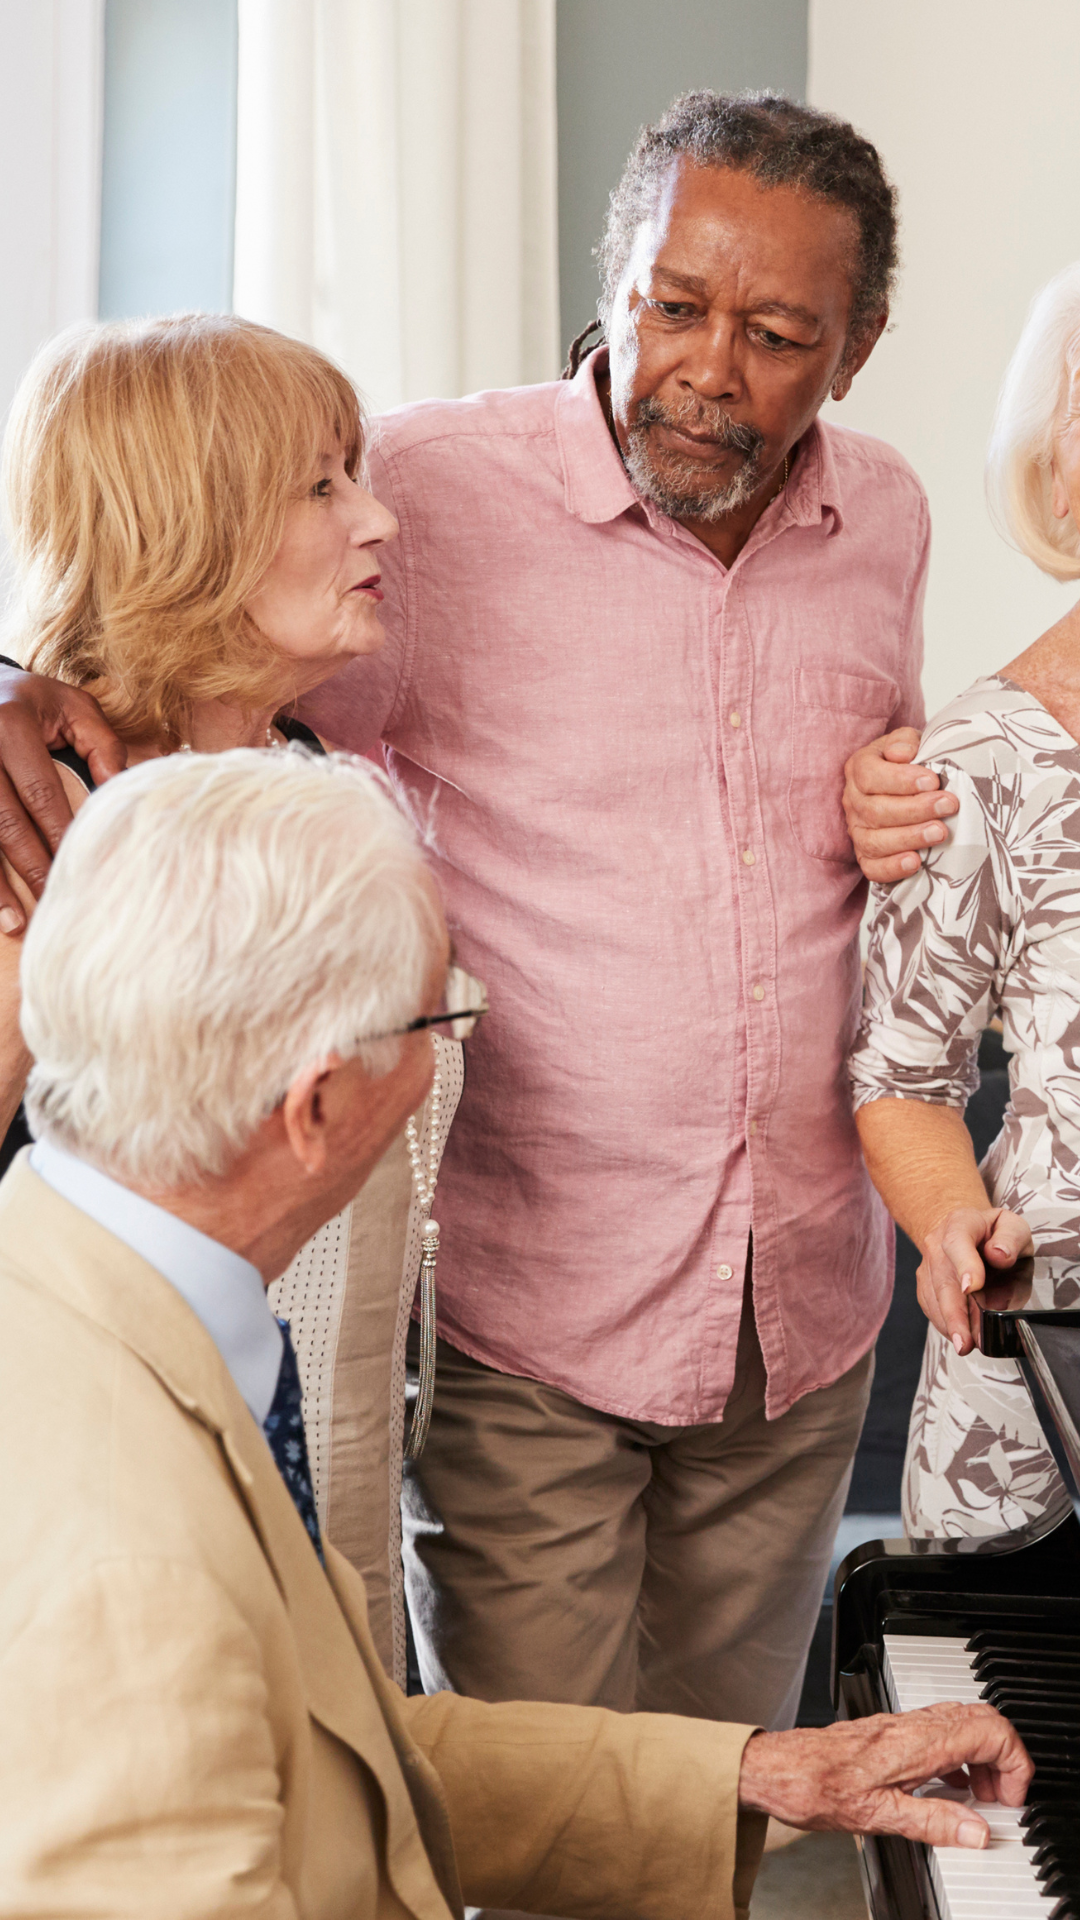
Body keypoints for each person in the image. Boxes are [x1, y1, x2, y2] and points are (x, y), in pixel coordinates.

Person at [0, 93, 930, 1727]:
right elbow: (135, 614)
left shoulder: (891, 521)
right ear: (612, 273)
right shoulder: (426, 502)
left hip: (794, 1315)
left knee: (703, 1808)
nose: (710, 368)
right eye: (672, 306)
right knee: (516, 1821)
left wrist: (905, 805)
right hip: (516, 1334)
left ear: (851, 351)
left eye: (778, 333)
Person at [0, 743, 1035, 1915]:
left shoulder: (85, 1292)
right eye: (443, 1007)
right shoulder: (117, 1566)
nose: (463, 1040)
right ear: (318, 1103)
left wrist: (757, 1771)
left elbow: (350, 1761)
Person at [0, 311, 460, 1670]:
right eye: (321, 486)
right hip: (120, 1532)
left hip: (338, 1487)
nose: (377, 519)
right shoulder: (40, 829)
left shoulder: (317, 778)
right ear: (182, 525)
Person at [847, 262, 1080, 1537]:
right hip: (1037, 1382)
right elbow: (904, 1077)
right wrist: (951, 1229)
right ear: (1056, 471)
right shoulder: (978, 757)